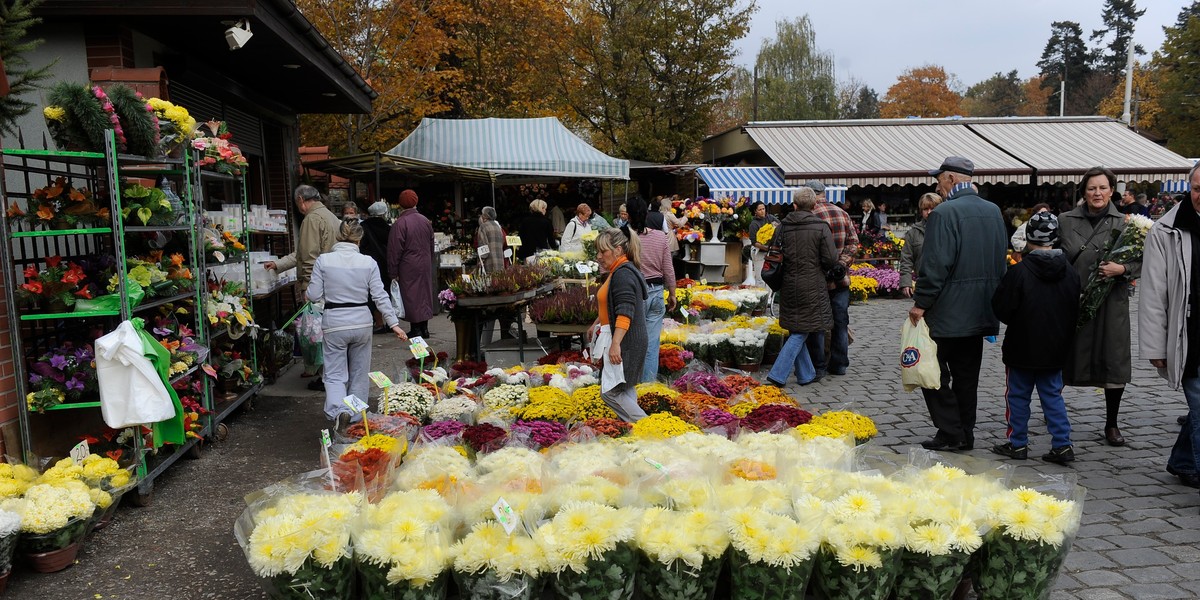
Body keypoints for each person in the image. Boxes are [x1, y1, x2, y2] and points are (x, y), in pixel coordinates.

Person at [908, 156, 1007, 452]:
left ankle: (951, 431)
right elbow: (1000, 260)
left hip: (947, 311)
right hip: (980, 310)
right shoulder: (993, 211)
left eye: (939, 178)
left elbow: (935, 265)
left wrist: (921, 303)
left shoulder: (944, 213)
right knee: (967, 378)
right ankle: (965, 432)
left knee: (931, 372)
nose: (936, 184)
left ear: (951, 179)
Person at [990, 212, 1081, 463]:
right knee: (1052, 395)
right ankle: (1062, 444)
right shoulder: (1071, 273)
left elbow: (1002, 308)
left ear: (1029, 238)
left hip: (1022, 346)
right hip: (1056, 347)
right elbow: (1075, 309)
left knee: (1017, 395)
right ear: (1055, 239)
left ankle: (1017, 443)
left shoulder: (1018, 273)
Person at [1060, 166, 1141, 447]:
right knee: (1062, 357)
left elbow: (1144, 261)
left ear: (1112, 190)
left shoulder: (1127, 223)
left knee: (1113, 360)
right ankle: (1053, 411)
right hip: (1072, 301)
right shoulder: (1065, 220)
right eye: (1092, 188)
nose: (1097, 193)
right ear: (1083, 191)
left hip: (1111, 303)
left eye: (1103, 188)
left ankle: (1112, 424)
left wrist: (1123, 268)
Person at [308, 219, 408, 433]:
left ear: (338, 236)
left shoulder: (323, 261)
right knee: (359, 372)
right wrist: (394, 324)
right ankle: (354, 415)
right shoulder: (368, 262)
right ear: (359, 238)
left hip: (334, 321)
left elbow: (314, 295)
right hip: (362, 321)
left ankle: (337, 411)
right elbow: (380, 296)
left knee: (334, 374)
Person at [1141, 162, 1200, 491]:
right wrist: (1154, 347)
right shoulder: (1166, 231)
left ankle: (1182, 460)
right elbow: (1153, 292)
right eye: (1197, 188)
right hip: (1188, 335)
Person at [264, 185, 341, 387]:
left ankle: (327, 378)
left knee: (319, 334)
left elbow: (308, 258)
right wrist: (278, 264)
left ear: (300, 199)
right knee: (328, 333)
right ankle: (329, 376)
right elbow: (302, 254)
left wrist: (307, 287)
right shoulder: (331, 217)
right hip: (333, 282)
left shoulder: (311, 220)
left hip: (319, 284)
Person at [765, 187, 838, 387]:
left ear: (794, 205)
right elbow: (831, 259)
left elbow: (773, 254)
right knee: (801, 331)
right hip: (813, 284)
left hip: (788, 284)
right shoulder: (821, 227)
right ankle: (778, 374)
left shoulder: (782, 227)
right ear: (814, 206)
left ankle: (806, 374)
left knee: (797, 327)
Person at [591, 227, 650, 422]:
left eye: (603, 251)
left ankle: (649, 428)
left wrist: (615, 344)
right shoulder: (619, 270)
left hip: (626, 342)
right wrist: (597, 322)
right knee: (625, 388)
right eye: (597, 251)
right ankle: (638, 433)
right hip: (629, 339)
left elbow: (625, 312)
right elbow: (614, 305)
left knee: (611, 392)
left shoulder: (622, 274)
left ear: (618, 250)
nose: (599, 256)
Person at [805, 180, 858, 378]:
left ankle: (818, 365)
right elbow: (853, 243)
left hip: (817, 279)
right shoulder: (842, 213)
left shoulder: (810, 215)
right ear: (824, 193)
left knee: (817, 323)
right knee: (840, 322)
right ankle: (839, 364)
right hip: (841, 279)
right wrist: (841, 264)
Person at [630, 198, 676, 381]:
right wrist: (672, 293)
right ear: (647, 214)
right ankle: (648, 387)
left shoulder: (623, 236)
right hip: (656, 292)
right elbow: (668, 268)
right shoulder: (659, 236)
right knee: (651, 344)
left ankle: (631, 384)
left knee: (633, 342)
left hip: (633, 293)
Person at [387, 189, 435, 339]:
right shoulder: (425, 221)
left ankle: (416, 329)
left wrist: (393, 272)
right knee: (424, 294)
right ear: (416, 202)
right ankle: (424, 328)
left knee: (411, 295)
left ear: (400, 204)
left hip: (408, 264)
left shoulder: (400, 223)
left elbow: (394, 250)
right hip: (425, 262)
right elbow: (431, 244)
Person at [899, 193, 942, 297]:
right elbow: (906, 259)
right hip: (923, 282)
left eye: (933, 208)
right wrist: (906, 283)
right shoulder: (913, 233)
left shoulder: (947, 228)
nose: (929, 212)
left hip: (945, 283)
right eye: (925, 209)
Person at [360, 201, 393, 333]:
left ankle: (378, 322)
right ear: (384, 213)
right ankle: (390, 322)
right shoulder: (388, 228)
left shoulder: (363, 226)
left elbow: (361, 245)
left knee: (371, 293)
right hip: (385, 263)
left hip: (368, 263)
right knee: (385, 292)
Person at [748, 201, 779, 286]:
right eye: (760, 209)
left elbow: (779, 227)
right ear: (755, 211)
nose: (762, 211)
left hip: (771, 252)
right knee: (760, 277)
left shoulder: (770, 218)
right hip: (759, 253)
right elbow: (754, 242)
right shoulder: (753, 224)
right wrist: (766, 248)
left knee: (770, 277)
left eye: (763, 209)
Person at [475, 206, 507, 272]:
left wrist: (480, 261)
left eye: (482, 214)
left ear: (485, 216)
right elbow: (503, 242)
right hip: (500, 261)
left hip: (489, 262)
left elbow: (483, 246)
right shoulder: (498, 227)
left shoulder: (483, 226)